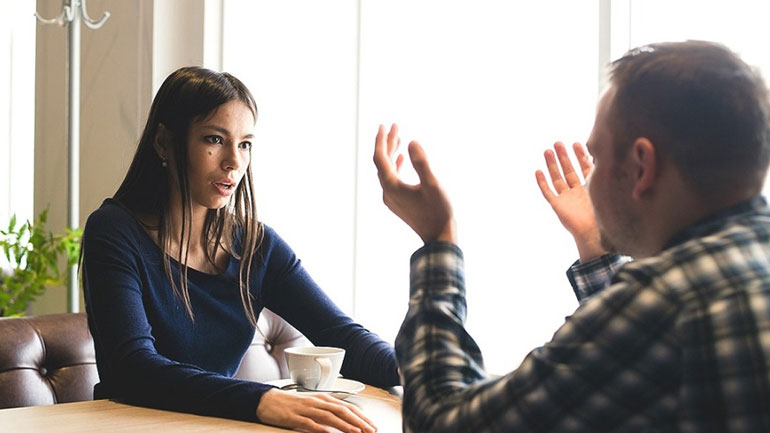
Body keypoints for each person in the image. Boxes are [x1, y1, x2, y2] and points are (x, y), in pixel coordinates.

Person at [374, 40, 770, 432]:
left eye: (595, 158)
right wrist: (596, 248)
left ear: (642, 165)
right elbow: (640, 359)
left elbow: (441, 422)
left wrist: (438, 239)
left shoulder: (667, 302)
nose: (588, 183)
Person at [81, 66, 398, 433]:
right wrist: (261, 400)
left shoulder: (255, 246)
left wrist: (418, 369)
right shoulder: (114, 231)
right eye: (214, 140)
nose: (234, 161)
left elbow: (344, 337)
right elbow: (134, 367)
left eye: (244, 143)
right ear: (164, 142)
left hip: (215, 425)